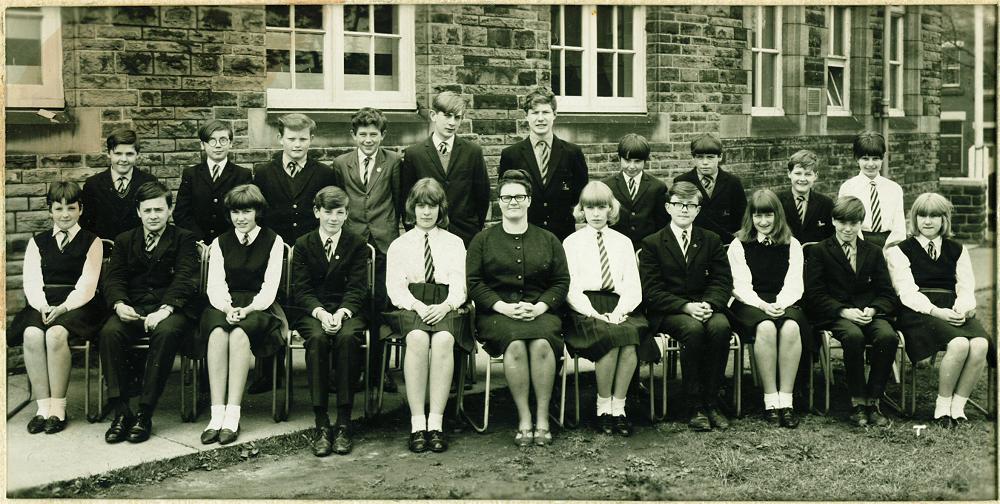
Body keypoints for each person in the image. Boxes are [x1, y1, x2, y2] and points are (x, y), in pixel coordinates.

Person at [467, 169, 569, 447]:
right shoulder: (483, 241)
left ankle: (543, 417)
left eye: (519, 196)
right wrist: (502, 307)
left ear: (529, 201)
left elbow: (561, 281)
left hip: (541, 313)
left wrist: (539, 307)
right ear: (498, 202)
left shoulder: (548, 239)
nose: (513, 201)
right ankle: (524, 418)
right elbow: (475, 283)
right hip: (497, 316)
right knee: (514, 345)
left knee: (541, 345)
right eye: (507, 197)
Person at [99, 181, 201, 444]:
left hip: (172, 308)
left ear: (169, 210)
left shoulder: (184, 238)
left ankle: (145, 412)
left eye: (159, 209)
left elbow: (185, 279)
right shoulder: (124, 240)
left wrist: (165, 309)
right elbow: (114, 279)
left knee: (165, 333)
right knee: (110, 332)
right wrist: (120, 304)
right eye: (147, 210)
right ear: (138, 212)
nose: (153, 216)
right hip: (133, 307)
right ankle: (122, 412)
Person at [885, 192, 995, 427]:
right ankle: (942, 407)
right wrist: (936, 311)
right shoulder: (900, 250)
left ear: (944, 219)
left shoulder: (957, 249)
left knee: (980, 344)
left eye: (934, 216)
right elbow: (906, 292)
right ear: (914, 219)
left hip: (951, 306)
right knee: (959, 344)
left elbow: (965, 286)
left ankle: (958, 406)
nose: (928, 221)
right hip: (918, 310)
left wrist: (962, 309)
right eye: (922, 215)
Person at [251, 113, 342, 393]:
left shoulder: (324, 173)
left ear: (311, 140)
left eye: (303, 139)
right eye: (291, 139)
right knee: (272, 306)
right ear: (280, 139)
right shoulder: (264, 172)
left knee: (314, 304)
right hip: (275, 250)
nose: (297, 144)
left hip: (310, 252)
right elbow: (261, 214)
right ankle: (268, 371)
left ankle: (324, 373)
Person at [639, 181, 734, 432]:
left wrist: (709, 304)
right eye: (679, 204)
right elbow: (651, 291)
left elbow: (722, 280)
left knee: (721, 326)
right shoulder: (652, 243)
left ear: (698, 210)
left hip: (706, 306)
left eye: (690, 205)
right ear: (668, 207)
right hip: (669, 311)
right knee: (693, 330)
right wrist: (685, 307)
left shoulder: (711, 240)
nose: (684, 209)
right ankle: (694, 405)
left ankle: (712, 400)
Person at [10, 182, 103, 434]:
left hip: (78, 304)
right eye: (58, 208)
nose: (65, 214)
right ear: (49, 210)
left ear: (81, 209)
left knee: (55, 334)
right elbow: (31, 280)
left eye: (71, 208)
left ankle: (58, 408)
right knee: (31, 334)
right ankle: (43, 407)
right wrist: (41, 306)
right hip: (42, 301)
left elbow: (87, 284)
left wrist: (63, 307)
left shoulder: (92, 242)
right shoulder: (37, 242)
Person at [384, 178, 470, 453]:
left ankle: (437, 423)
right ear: (412, 208)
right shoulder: (400, 244)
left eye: (432, 206)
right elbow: (395, 287)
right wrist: (418, 306)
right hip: (411, 304)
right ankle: (417, 423)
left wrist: (446, 306)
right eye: (420, 205)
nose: (426, 212)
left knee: (444, 339)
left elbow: (460, 285)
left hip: (446, 304)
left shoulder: (455, 243)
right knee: (418, 339)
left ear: (440, 209)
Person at [199, 184, 286, 445]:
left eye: (247, 211)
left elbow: (270, 287)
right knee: (216, 334)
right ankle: (216, 415)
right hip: (224, 303)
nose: (241, 218)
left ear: (257, 211)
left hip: (259, 305)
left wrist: (247, 309)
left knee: (238, 334)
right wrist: (227, 307)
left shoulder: (274, 240)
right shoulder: (220, 242)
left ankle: (233, 415)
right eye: (236, 212)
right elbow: (215, 284)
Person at [562, 181, 650, 436]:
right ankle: (603, 406)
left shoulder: (623, 242)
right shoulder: (572, 242)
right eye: (591, 208)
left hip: (619, 304)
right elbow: (571, 287)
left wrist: (621, 311)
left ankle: (618, 407)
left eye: (602, 207)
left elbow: (633, 284)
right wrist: (593, 313)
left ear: (611, 209)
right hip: (585, 306)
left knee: (630, 338)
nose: (597, 213)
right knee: (610, 338)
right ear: (582, 210)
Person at [290, 186, 371, 456]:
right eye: (327, 212)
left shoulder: (357, 244)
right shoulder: (303, 244)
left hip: (348, 310)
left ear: (347, 214)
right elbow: (301, 290)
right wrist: (322, 313)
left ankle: (344, 421)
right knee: (317, 338)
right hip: (314, 311)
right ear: (317, 212)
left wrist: (342, 313)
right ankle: (322, 421)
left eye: (339, 213)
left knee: (348, 338)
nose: (333, 219)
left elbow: (358, 288)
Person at [804, 196, 899, 427]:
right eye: (842, 222)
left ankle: (873, 400)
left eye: (854, 223)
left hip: (868, 312)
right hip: (836, 315)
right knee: (853, 337)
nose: (848, 229)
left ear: (861, 223)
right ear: (834, 221)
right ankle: (858, 402)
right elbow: (814, 295)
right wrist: (843, 312)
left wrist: (874, 309)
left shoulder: (874, 251)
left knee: (888, 336)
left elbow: (886, 292)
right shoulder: (820, 251)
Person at [726, 189, 812, 428]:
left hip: (784, 299)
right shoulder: (739, 244)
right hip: (750, 302)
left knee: (791, 327)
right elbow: (739, 285)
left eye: (768, 215)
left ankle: (787, 399)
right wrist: (763, 305)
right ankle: (770, 400)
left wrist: (781, 304)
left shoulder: (791, 243)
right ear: (750, 217)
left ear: (777, 216)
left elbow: (795, 282)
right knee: (765, 327)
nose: (763, 222)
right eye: (757, 216)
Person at [332, 107, 403, 394]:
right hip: (354, 242)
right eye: (362, 134)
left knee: (381, 306)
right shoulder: (341, 163)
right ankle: (354, 369)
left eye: (374, 134)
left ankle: (380, 370)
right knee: (355, 304)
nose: (368, 140)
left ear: (383, 135)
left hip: (384, 242)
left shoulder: (394, 162)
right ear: (354, 135)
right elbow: (339, 200)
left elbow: (398, 199)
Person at [400, 91, 490, 246]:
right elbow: (407, 199)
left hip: (465, 235)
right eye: (447, 115)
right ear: (433, 115)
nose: (452, 123)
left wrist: (473, 228)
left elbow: (482, 196)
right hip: (427, 234)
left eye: (457, 117)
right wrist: (416, 231)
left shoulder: (473, 152)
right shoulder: (415, 154)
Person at [498, 86, 588, 241]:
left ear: (554, 115)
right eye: (535, 113)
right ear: (526, 116)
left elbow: (580, 196)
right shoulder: (511, 155)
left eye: (545, 112)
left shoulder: (572, 153)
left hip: (563, 235)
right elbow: (506, 197)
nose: (540, 118)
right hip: (525, 235)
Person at [173, 120, 254, 244]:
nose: (217, 145)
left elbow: (247, 212)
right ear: (202, 145)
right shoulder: (191, 174)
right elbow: (181, 213)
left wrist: (226, 240)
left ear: (230, 143)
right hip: (198, 244)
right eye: (212, 140)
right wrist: (198, 239)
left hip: (231, 243)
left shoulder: (242, 175)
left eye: (223, 140)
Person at [80, 128, 159, 239]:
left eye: (129, 154)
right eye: (118, 153)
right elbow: (86, 225)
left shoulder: (148, 182)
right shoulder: (93, 185)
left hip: (139, 250)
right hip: (105, 251)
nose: (123, 159)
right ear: (109, 153)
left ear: (138, 154)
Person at [671, 133, 746, 244]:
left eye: (710, 157)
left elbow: (742, 217)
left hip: (725, 243)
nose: (705, 162)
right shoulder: (682, 181)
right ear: (693, 157)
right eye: (700, 157)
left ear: (720, 157)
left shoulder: (733, 182)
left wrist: (733, 240)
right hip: (693, 243)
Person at [837, 131, 905, 248]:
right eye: (865, 158)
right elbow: (845, 223)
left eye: (875, 158)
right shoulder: (848, 188)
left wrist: (890, 248)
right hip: (858, 242)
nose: (870, 164)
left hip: (889, 243)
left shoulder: (894, 189)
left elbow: (899, 226)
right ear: (856, 159)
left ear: (883, 158)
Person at [603, 133, 668, 250]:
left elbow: (661, 225)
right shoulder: (607, 186)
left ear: (645, 161)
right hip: (615, 247)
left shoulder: (657, 187)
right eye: (627, 161)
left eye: (637, 161)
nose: (632, 166)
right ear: (619, 159)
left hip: (647, 250)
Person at [777, 149, 834, 244]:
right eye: (798, 173)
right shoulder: (777, 201)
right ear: (789, 173)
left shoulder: (826, 204)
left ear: (815, 176)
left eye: (808, 174)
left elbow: (831, 237)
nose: (802, 179)